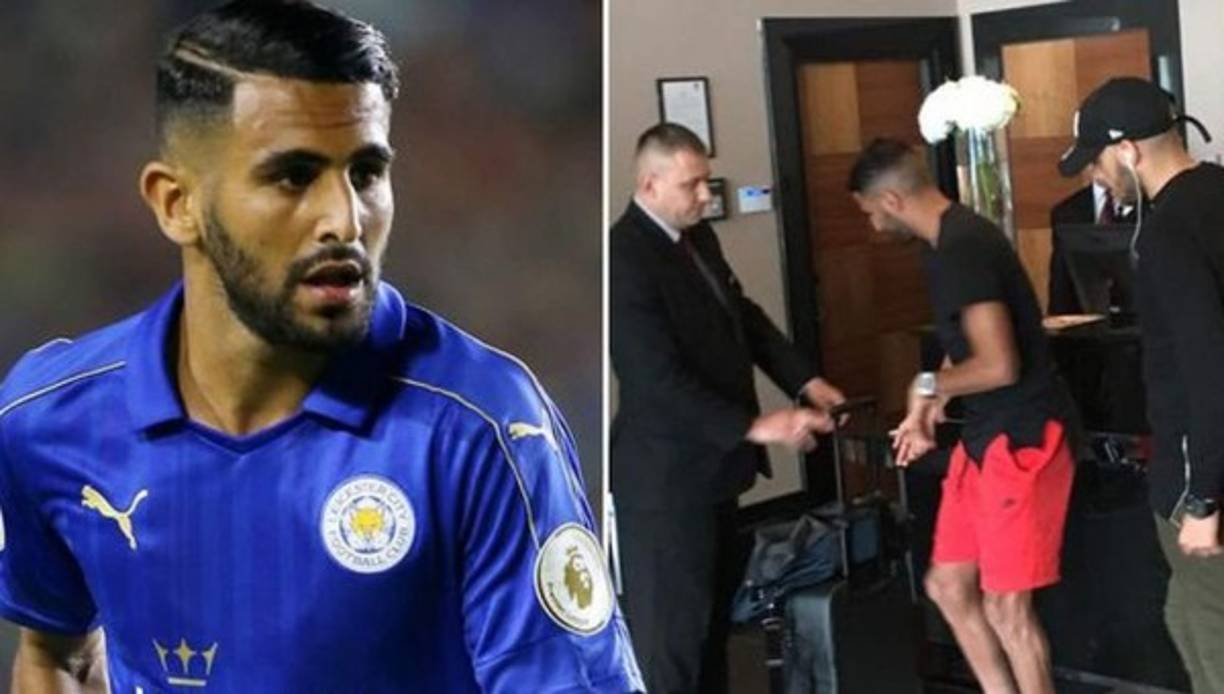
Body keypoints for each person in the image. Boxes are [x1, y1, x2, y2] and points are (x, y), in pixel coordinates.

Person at [0, 2, 641, 692]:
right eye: (294, 176)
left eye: (365, 173)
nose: (345, 219)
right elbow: (56, 653)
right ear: (176, 204)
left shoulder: (481, 427)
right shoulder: (48, 419)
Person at [609, 122, 844, 694]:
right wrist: (755, 426)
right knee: (672, 649)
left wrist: (805, 379)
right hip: (665, 484)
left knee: (715, 631)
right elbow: (654, 381)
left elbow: (744, 319)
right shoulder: (623, 257)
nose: (706, 196)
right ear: (650, 183)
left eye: (706, 182)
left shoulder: (698, 240)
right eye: (691, 185)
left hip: (715, 473)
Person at [850, 138, 1075, 694]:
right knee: (949, 586)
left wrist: (925, 384)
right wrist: (928, 407)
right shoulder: (942, 245)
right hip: (984, 436)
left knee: (1006, 608)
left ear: (893, 200)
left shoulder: (963, 248)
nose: (874, 225)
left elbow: (999, 364)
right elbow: (966, 346)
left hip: (1023, 439)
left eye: (871, 212)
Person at [1059, 76, 1224, 693]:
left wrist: (1203, 498)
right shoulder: (1217, 192)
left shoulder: (1168, 231)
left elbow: (1208, 365)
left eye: (1098, 161)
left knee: (1211, 634)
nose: (1096, 177)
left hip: (1199, 474)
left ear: (1127, 150)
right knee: (1182, 615)